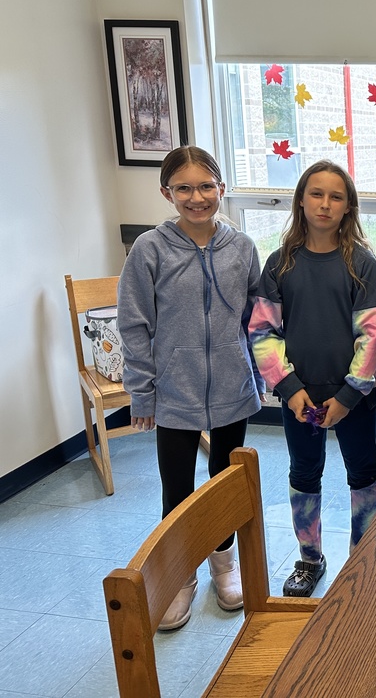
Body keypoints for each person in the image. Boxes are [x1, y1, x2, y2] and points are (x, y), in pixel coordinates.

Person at [118, 145, 264, 629]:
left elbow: (258, 320)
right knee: (177, 489)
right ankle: (180, 576)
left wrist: (261, 374)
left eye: (206, 186)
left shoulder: (242, 248)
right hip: (174, 393)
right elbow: (135, 325)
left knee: (223, 483)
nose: (196, 197)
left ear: (221, 189)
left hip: (231, 387)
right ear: (167, 193)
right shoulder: (150, 250)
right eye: (184, 188)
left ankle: (225, 566)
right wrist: (142, 392)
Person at [249, 160, 376, 597]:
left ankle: (363, 555)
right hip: (300, 398)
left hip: (353, 398)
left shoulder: (361, 263)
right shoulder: (279, 263)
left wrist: (348, 395)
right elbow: (263, 332)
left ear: (348, 207)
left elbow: (372, 333)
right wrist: (289, 389)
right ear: (301, 200)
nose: (325, 204)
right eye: (316, 194)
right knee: (304, 474)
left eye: (336, 196)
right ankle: (310, 558)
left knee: (362, 473)